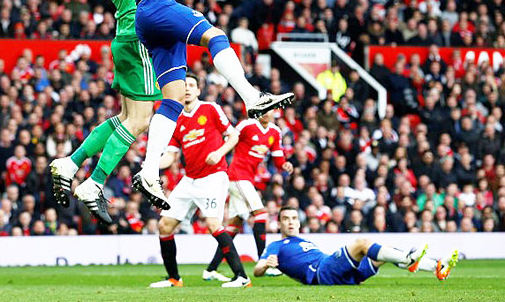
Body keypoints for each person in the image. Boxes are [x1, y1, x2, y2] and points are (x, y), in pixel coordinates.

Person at [32, 0, 298, 210]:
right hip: (154, 7)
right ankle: (251, 96)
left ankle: (148, 172)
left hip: (154, 26)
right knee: (215, 35)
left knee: (171, 99)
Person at [48, 0, 195, 224]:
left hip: (125, 33)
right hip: (139, 32)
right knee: (141, 120)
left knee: (128, 117)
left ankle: (70, 163)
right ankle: (94, 183)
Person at [149, 73, 251, 288]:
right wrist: (152, 164)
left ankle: (242, 277)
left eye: (191, 85)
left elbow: (233, 136)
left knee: (213, 224)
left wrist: (219, 152)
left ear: (197, 90)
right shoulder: (176, 119)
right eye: (183, 85)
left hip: (213, 176)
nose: (186, 88)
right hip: (190, 179)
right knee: (164, 225)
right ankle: (174, 279)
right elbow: (171, 155)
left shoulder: (210, 109)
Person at [253, 207, 459, 284]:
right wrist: (266, 265)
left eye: (294, 218)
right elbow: (257, 271)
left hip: (336, 272)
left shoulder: (304, 240)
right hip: (321, 273)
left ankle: (436, 267)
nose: (290, 222)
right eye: (286, 219)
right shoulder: (276, 245)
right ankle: (408, 259)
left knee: (382, 253)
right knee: (361, 243)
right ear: (279, 223)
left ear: (299, 222)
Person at [205, 109, 293, 280]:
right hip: (237, 176)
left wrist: (285, 165)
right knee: (261, 214)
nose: (267, 113)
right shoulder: (247, 125)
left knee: (233, 226)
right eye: (264, 110)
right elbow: (230, 139)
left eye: (270, 110)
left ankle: (211, 269)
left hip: (247, 180)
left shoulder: (275, 132)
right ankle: (265, 263)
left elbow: (278, 158)